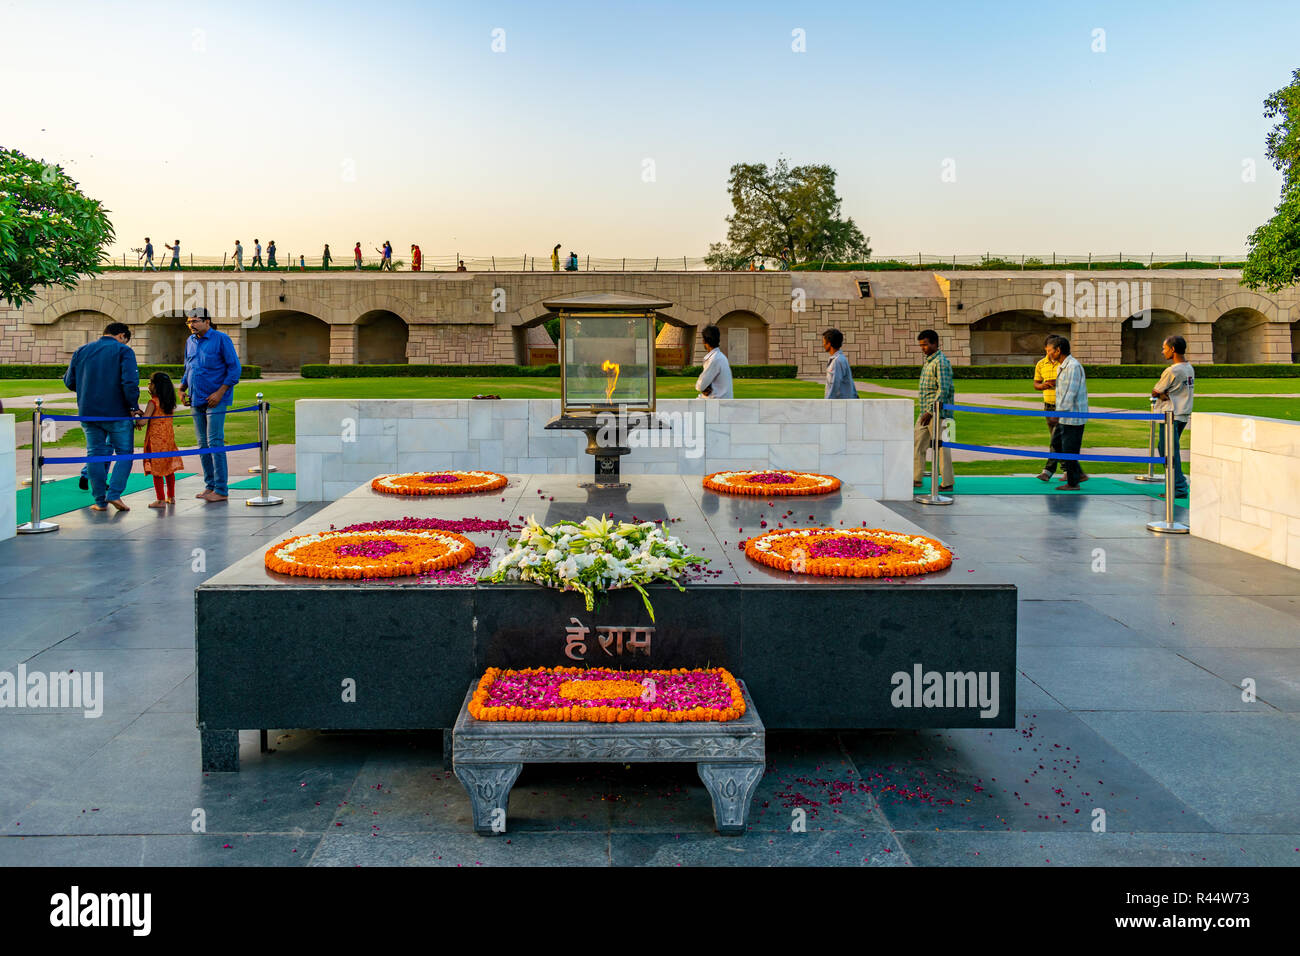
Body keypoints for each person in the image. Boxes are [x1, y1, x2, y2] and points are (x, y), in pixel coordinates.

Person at [63, 322, 141, 512]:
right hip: (117, 412)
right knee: (125, 454)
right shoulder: (124, 351)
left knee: (95, 455)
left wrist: (87, 389)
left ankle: (99, 501)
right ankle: (114, 494)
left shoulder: (82, 350)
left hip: (88, 412)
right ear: (122, 336)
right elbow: (130, 382)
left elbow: (69, 381)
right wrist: (133, 406)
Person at [180, 308, 241, 502]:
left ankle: (221, 490)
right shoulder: (190, 341)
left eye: (196, 321)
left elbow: (234, 369)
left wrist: (220, 392)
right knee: (202, 444)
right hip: (196, 398)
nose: (192, 325)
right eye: (189, 321)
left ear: (207, 322)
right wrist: (182, 388)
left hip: (216, 399)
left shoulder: (221, 339)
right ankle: (210, 486)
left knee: (215, 442)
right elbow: (188, 367)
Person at [1152, 334, 1193, 499]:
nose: (1163, 352)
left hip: (1171, 415)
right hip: (1182, 413)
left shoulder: (1172, 370)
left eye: (1164, 348)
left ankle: (1179, 487)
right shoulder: (1189, 367)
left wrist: (1160, 394)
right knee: (1166, 448)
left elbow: (1155, 391)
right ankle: (1178, 482)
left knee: (1168, 451)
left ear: (1173, 349)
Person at [135, 371, 183, 509]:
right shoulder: (168, 402)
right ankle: (171, 496)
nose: (148, 384)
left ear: (157, 386)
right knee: (168, 469)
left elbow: (144, 422)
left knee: (157, 471)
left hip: (155, 441)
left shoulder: (153, 402)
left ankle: (160, 500)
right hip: (168, 439)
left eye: (151, 382)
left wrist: (137, 419)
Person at [913, 329, 954, 491]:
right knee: (917, 445)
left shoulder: (941, 362)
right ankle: (916, 478)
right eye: (921, 345)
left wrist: (931, 411)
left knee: (943, 448)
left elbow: (943, 389)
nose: (923, 348)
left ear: (935, 344)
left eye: (925, 344)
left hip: (939, 413)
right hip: (926, 412)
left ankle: (947, 482)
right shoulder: (930, 361)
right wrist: (927, 411)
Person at [1049, 335, 1088, 490]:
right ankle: (1079, 474)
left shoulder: (1073, 366)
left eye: (1050, 350)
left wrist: (1056, 414)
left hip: (1073, 416)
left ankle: (1073, 482)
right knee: (1057, 443)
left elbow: (1070, 393)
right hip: (1065, 415)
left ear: (1058, 350)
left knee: (1069, 449)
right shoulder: (1062, 366)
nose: (1049, 354)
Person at [1034, 334, 1062, 482]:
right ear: (1046, 348)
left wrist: (1056, 383)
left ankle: (1048, 470)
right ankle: (1070, 470)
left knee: (1056, 439)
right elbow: (1036, 384)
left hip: (1062, 406)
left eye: (1055, 349)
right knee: (1057, 439)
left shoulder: (1063, 363)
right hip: (1048, 406)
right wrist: (1043, 385)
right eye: (1050, 348)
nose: (1052, 352)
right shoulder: (1041, 364)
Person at [694, 324, 733, 399]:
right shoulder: (721, 357)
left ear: (704, 341)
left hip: (716, 404)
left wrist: (704, 386)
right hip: (720, 402)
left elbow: (700, 386)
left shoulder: (714, 359)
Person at [822, 327, 858, 399]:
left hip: (840, 405)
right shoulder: (840, 359)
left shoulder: (838, 361)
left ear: (829, 344)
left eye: (824, 342)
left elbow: (835, 384)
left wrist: (827, 403)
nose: (823, 344)